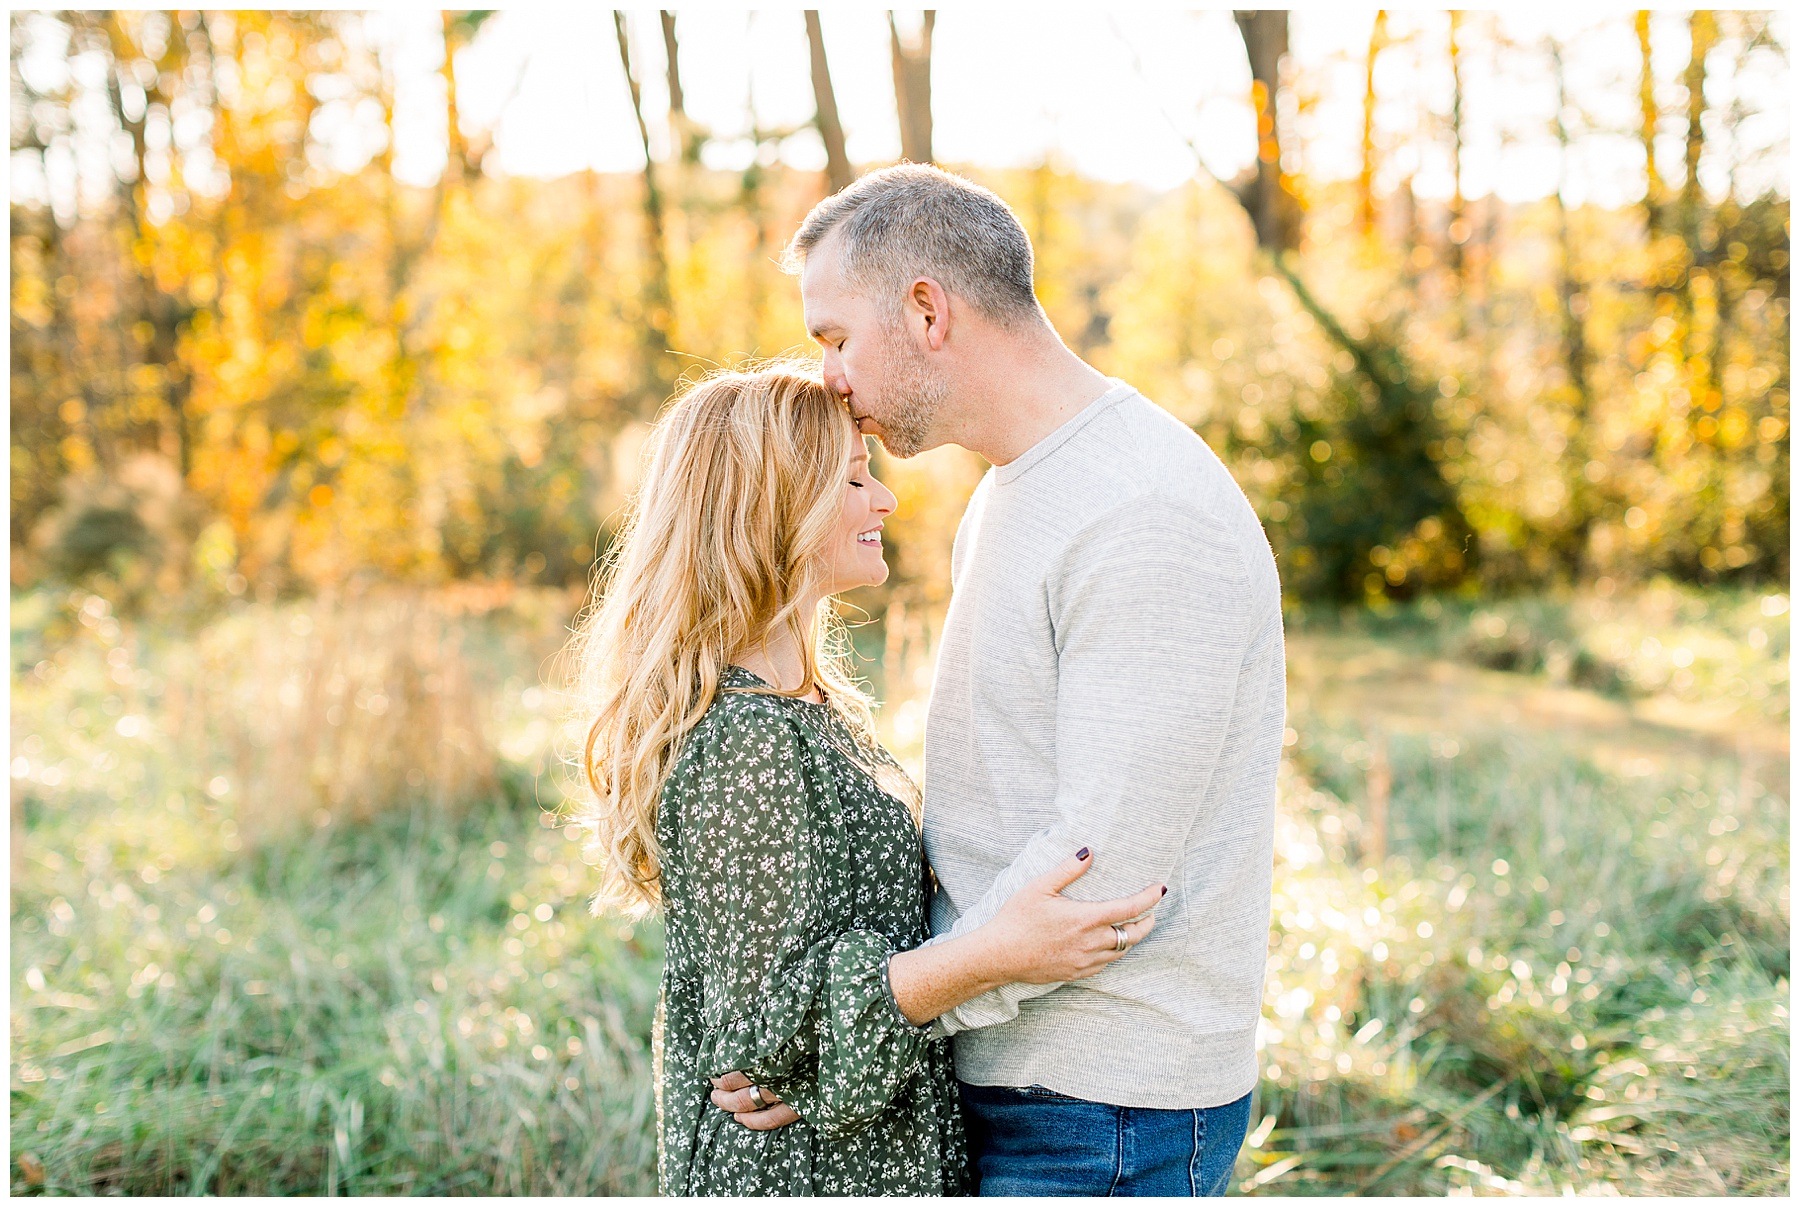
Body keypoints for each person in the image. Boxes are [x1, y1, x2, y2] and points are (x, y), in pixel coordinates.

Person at [712, 164, 1284, 1196]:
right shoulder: (1020, 486)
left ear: (927, 309)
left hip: (1102, 1108)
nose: (827, 374)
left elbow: (1099, 886)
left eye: (835, 336)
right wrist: (873, 1020)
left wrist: (881, 1012)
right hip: (1020, 1075)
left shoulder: (1145, 512)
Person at [569, 364, 1165, 1196]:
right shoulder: (746, 737)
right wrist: (996, 952)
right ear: (768, 510)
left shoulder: (808, 709)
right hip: (804, 1174)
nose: (884, 500)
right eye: (853, 478)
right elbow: (774, 1036)